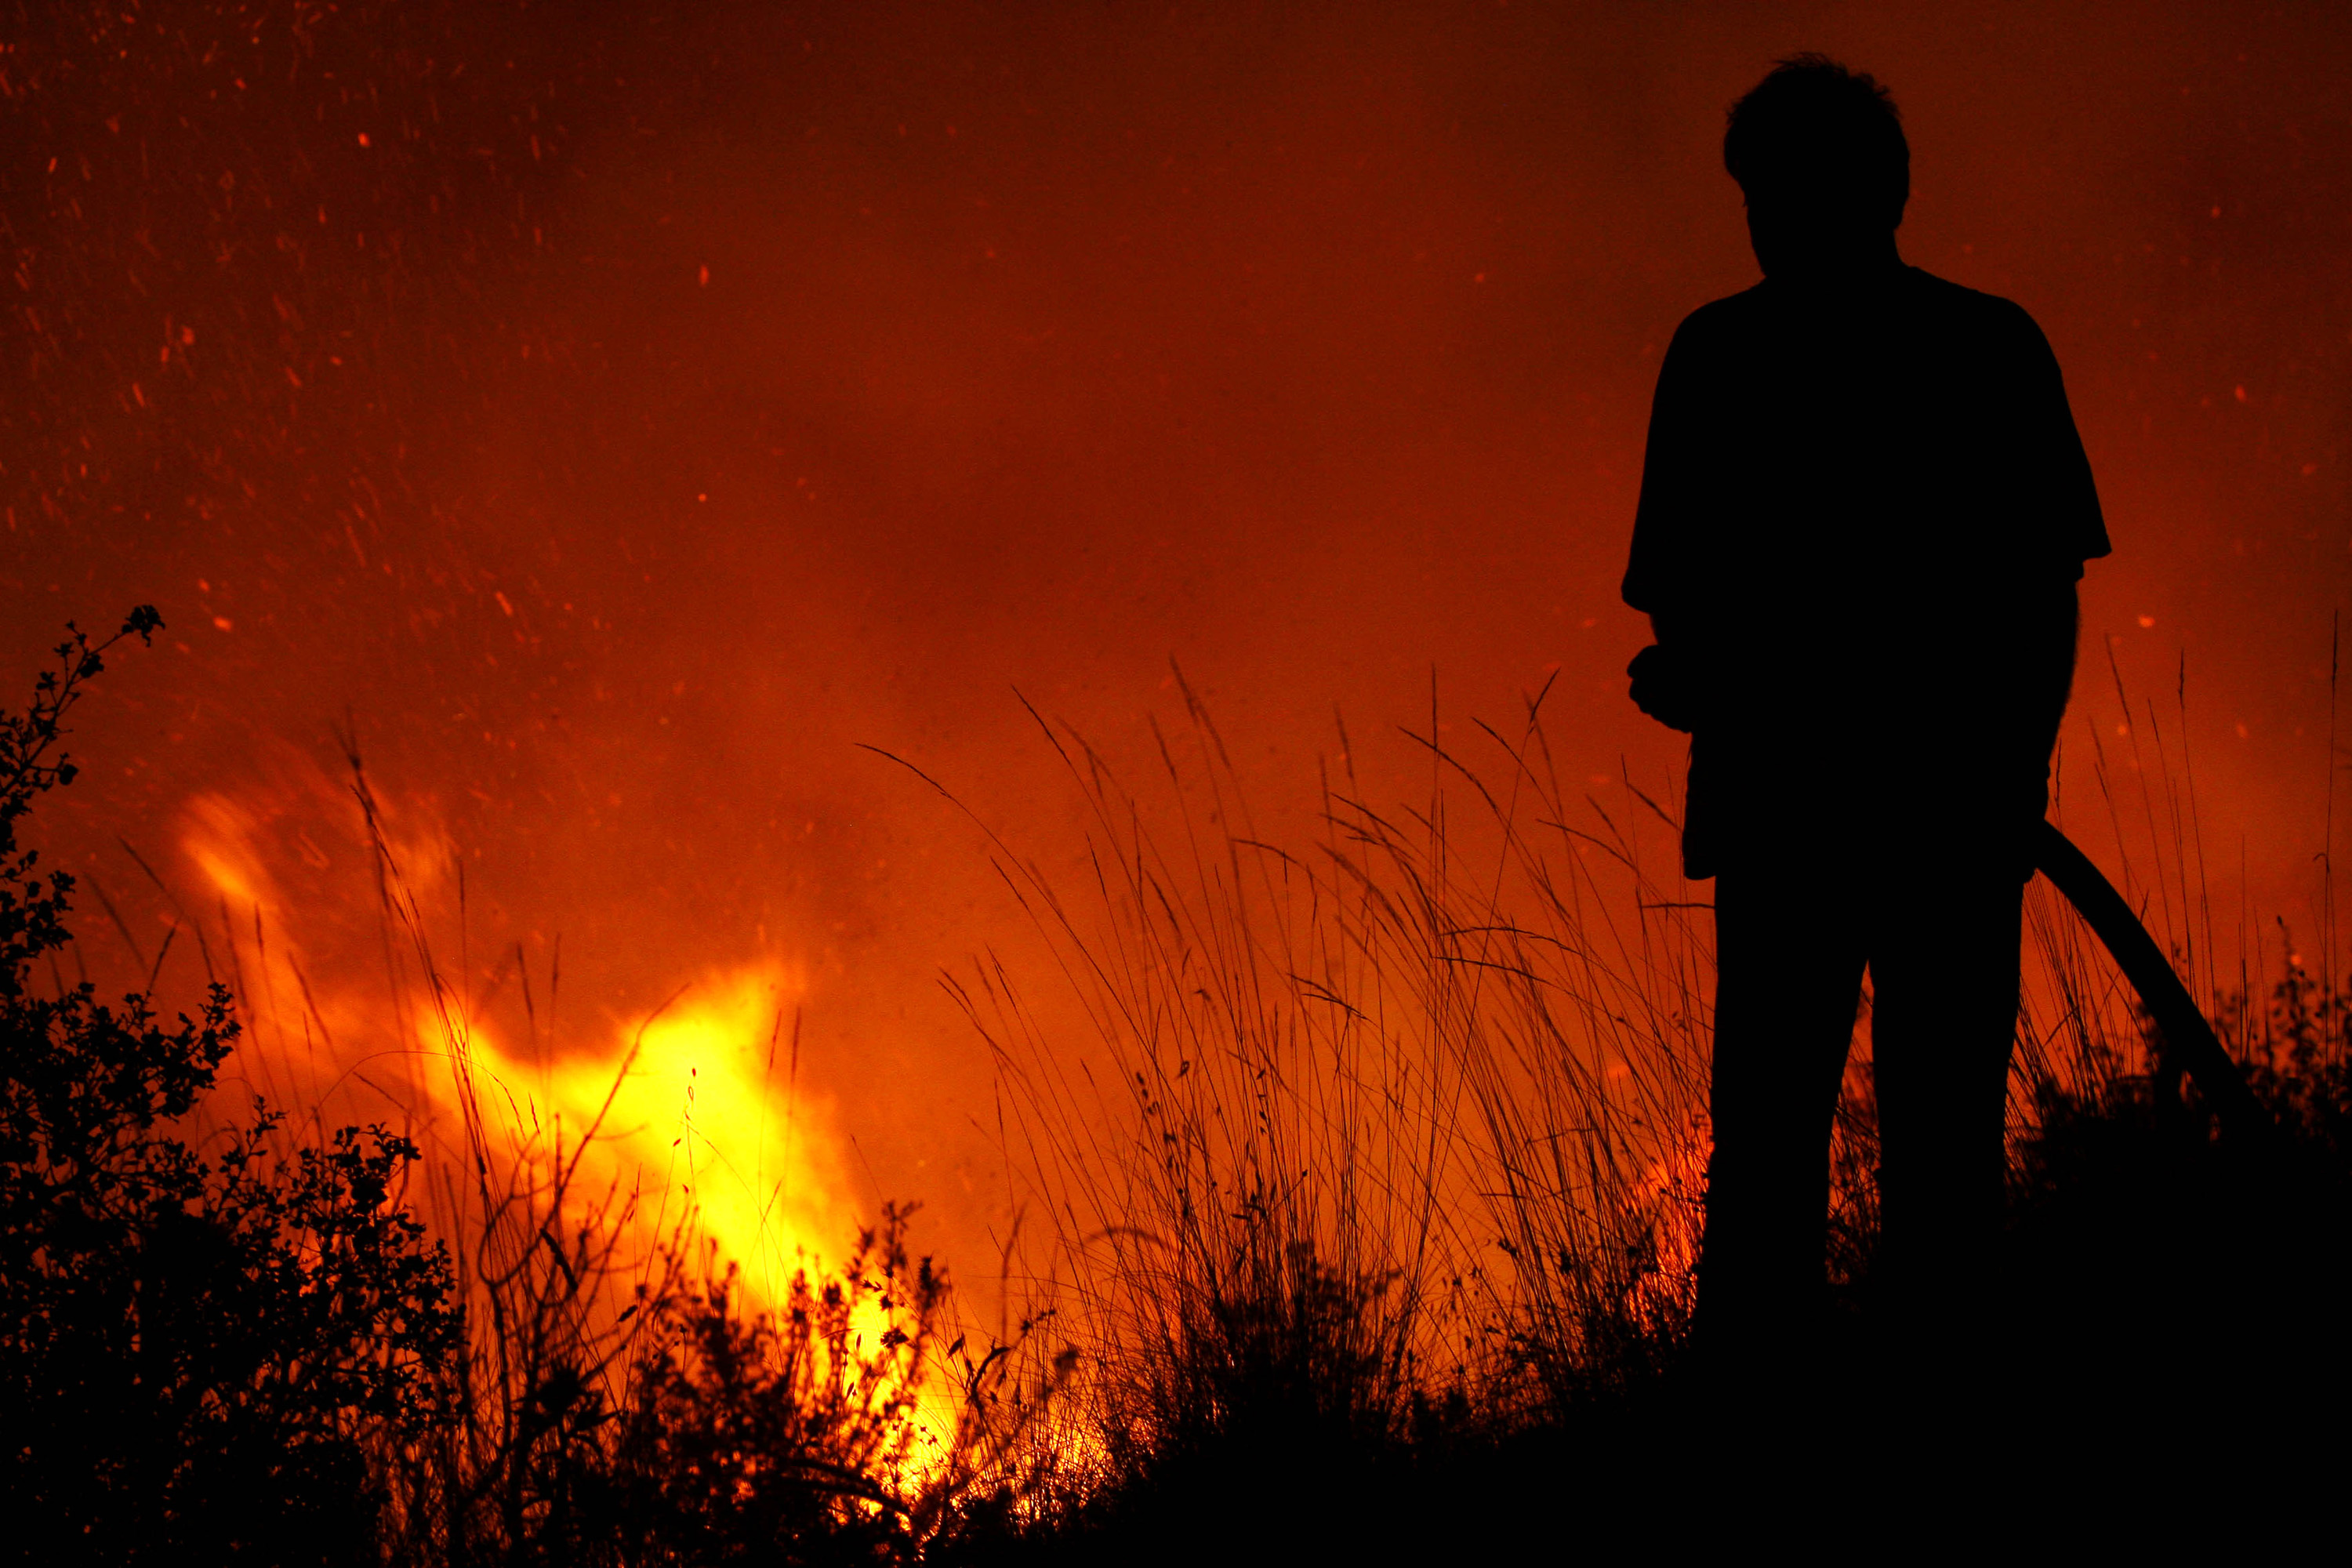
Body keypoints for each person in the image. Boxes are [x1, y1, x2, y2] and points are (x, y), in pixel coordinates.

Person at [1621, 56, 2109, 1406]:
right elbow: (2038, 593)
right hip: (1927, 819)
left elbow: (1690, 604)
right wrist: (2007, 772)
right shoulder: (1981, 346)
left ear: (1868, 194)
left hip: (1827, 819)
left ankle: (1803, 1428)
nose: (1770, 220)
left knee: (1806, 1156)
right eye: (1760, 195)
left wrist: (1711, 682)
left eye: (1782, 192)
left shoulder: (1728, 356)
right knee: (1910, 1157)